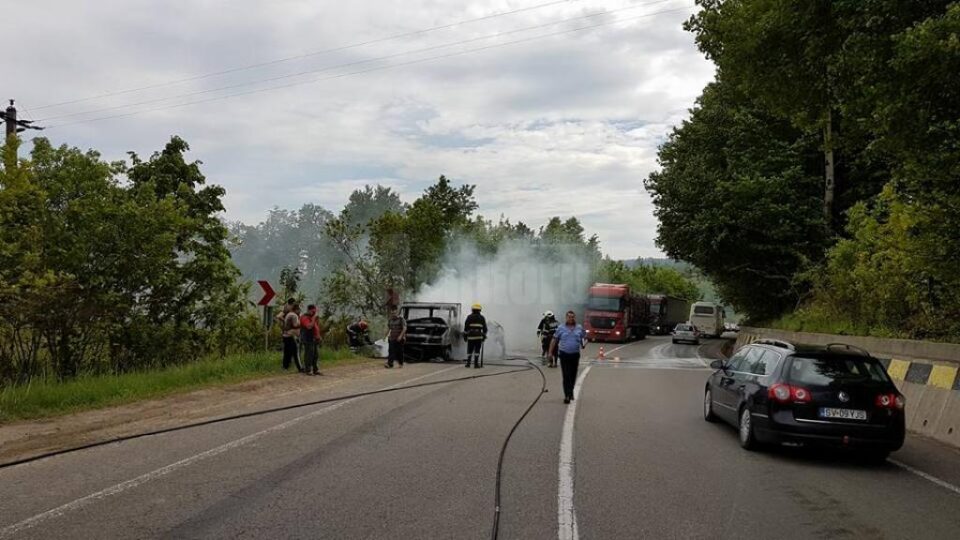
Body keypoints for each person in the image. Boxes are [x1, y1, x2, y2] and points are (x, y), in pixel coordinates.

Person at [549, 310, 587, 404]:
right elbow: (554, 340)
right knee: (566, 375)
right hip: (564, 354)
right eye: (569, 317)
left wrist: (584, 343)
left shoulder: (579, 328)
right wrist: (550, 352)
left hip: (575, 355)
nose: (571, 318)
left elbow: (585, 337)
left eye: (572, 317)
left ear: (575, 318)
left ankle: (570, 391)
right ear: (566, 318)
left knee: (573, 375)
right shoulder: (561, 328)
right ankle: (567, 395)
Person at [300, 304, 322, 376]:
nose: (314, 313)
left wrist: (318, 336)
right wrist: (313, 319)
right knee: (309, 354)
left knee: (315, 355)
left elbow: (315, 328)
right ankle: (308, 370)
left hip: (314, 338)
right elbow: (309, 326)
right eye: (313, 312)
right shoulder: (304, 317)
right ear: (309, 310)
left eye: (315, 312)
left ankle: (315, 369)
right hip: (308, 338)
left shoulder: (312, 317)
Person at [464, 303, 488, 368]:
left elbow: (466, 327)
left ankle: (468, 364)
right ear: (480, 310)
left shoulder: (469, 317)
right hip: (479, 337)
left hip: (470, 337)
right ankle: (476, 364)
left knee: (469, 350)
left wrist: (465, 336)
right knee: (477, 350)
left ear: (472, 310)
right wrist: (484, 336)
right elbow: (485, 329)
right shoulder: (482, 317)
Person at [282, 303, 304, 372]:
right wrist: (301, 324)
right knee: (296, 352)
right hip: (291, 336)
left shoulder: (289, 314)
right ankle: (300, 368)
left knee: (287, 352)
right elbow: (295, 325)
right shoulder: (294, 315)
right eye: (299, 310)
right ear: (296, 309)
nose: (300, 311)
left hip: (286, 335)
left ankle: (285, 367)